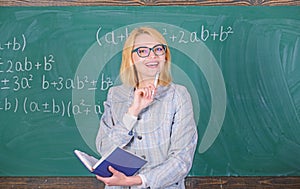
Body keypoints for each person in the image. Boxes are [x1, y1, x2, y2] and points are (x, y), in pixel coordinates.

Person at [95, 26, 198, 189]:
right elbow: (104, 149)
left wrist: (137, 181)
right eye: (142, 51)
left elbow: (181, 160)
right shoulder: (115, 95)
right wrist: (132, 112)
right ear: (131, 58)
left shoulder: (178, 95)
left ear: (165, 55)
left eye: (158, 49)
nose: (153, 56)